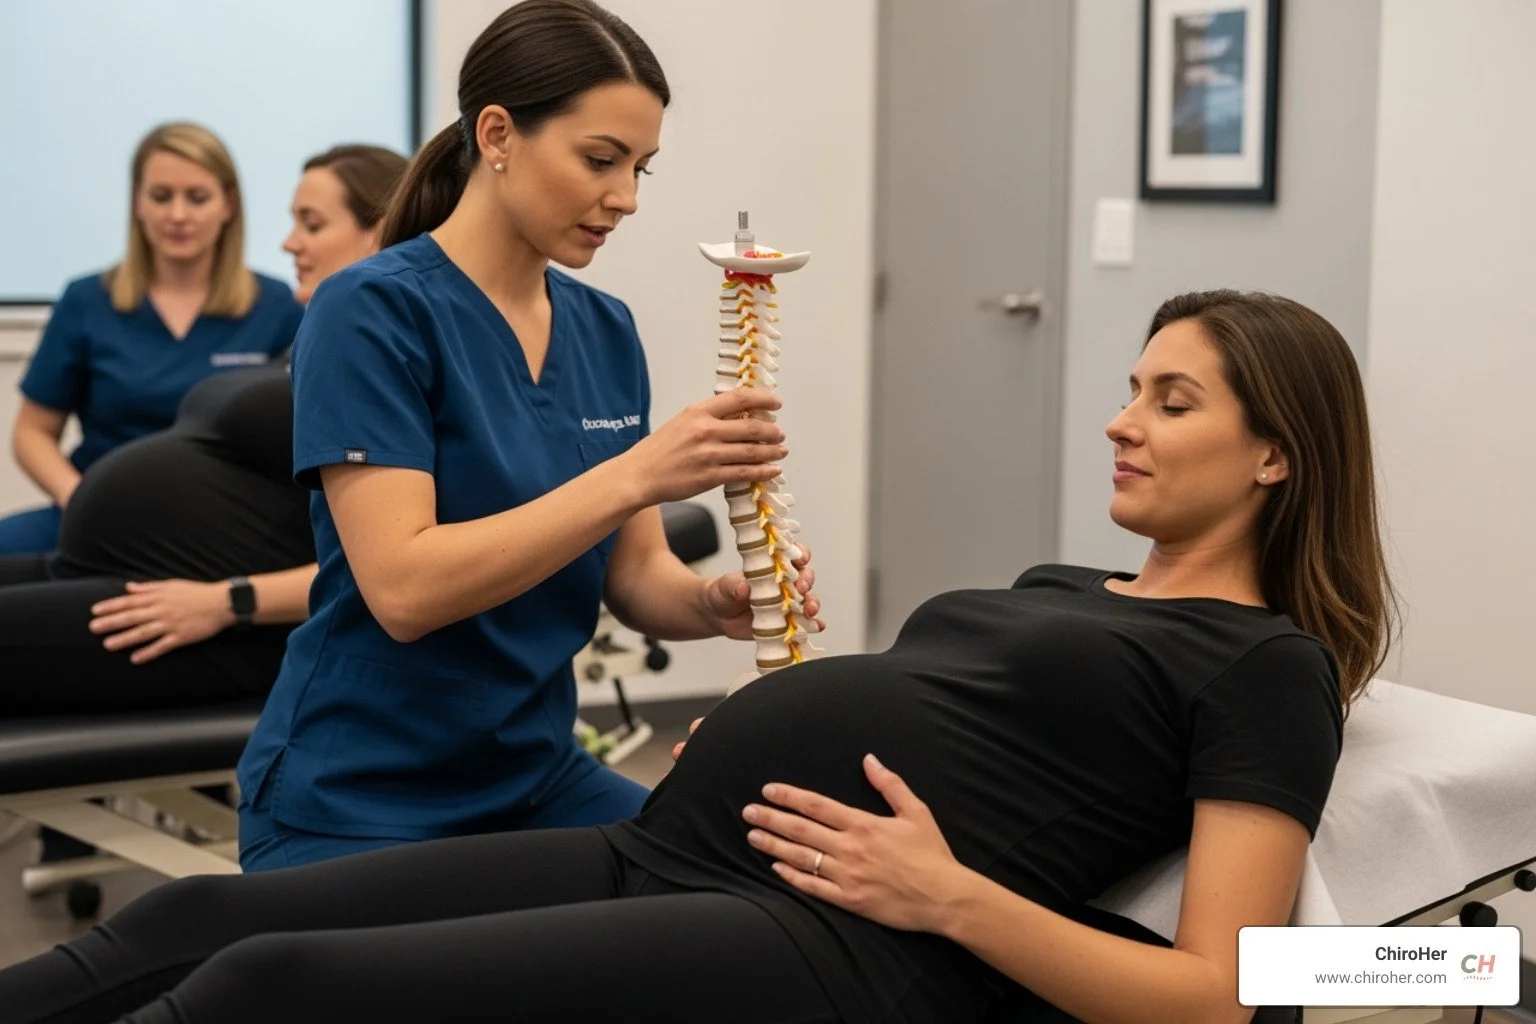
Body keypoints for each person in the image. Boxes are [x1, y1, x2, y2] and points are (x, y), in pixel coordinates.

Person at [0, 288, 1395, 1024]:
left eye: (1172, 398)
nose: (1120, 421)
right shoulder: (1061, 582)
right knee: (195, 925)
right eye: (1128, 387)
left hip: (831, 940)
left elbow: (1225, 993)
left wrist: (951, 896)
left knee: (270, 992)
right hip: (671, 844)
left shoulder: (1264, 665)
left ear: (1276, 451)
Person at [233, 0, 820, 872]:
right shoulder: (373, 311)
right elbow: (402, 589)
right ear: (498, 133)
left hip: (536, 778)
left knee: (759, 890)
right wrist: (638, 474)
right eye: (599, 160)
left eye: (640, 169)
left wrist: (715, 606)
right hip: (360, 795)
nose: (622, 198)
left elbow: (637, 578)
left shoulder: (605, 329)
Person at [0, 145, 408, 715]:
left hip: (218, 613)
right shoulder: (322, 335)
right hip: (124, 559)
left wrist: (229, 602)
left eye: (310, 224)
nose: (290, 241)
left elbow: (383, 563)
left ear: (379, 230)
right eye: (161, 196)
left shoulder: (385, 359)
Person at [1, 122, 305, 555]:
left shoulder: (280, 307)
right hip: (93, 512)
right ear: (137, 204)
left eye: (197, 198)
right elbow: (32, 432)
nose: (177, 215)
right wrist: (80, 499)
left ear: (229, 205)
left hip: (220, 526)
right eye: (161, 197)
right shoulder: (86, 300)